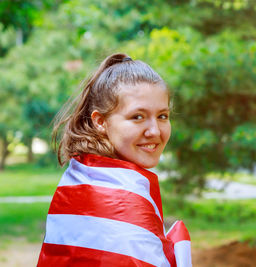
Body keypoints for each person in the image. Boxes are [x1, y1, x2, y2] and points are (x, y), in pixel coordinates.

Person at [37, 53, 192, 267]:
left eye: (162, 116)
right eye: (137, 116)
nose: (154, 130)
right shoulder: (118, 197)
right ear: (100, 121)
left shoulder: (84, 176)